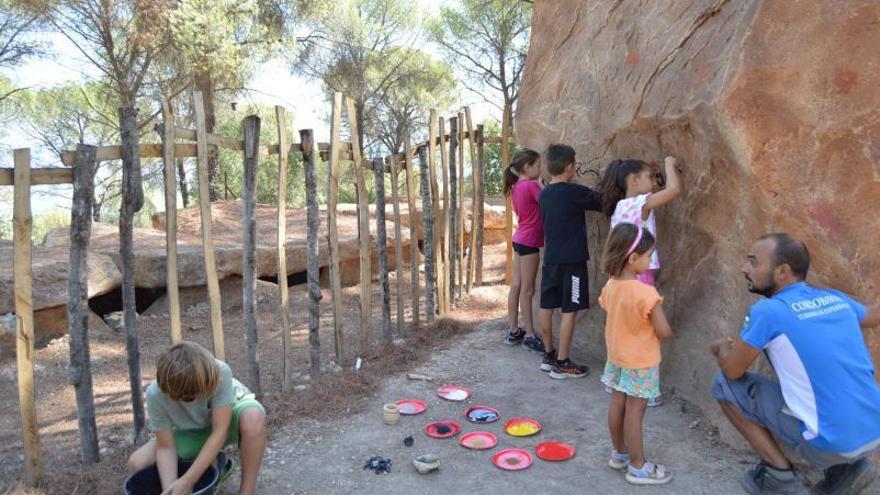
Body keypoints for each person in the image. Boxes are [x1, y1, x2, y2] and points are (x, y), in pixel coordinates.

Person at [711, 233, 880, 495]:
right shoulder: (836, 300)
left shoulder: (769, 312)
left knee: (723, 384)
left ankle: (779, 478)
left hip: (830, 445)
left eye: (753, 262)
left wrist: (721, 347)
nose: (744, 268)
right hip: (874, 434)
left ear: (782, 272)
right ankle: (849, 469)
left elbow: (733, 369)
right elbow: (873, 315)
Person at [127, 341, 267, 495]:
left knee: (253, 417)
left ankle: (246, 491)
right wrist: (171, 488)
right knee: (136, 463)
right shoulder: (155, 393)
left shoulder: (219, 371)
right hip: (192, 430)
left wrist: (188, 480)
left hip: (227, 422)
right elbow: (166, 447)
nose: (194, 399)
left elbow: (221, 430)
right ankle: (219, 465)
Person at [597, 156, 681, 407]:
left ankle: (619, 379)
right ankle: (646, 390)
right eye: (648, 178)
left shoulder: (620, 206)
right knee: (646, 329)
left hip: (621, 274)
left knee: (624, 328)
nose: (653, 183)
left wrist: (654, 175)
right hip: (641, 275)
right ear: (634, 180)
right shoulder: (640, 203)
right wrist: (669, 164)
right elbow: (674, 190)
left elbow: (655, 189)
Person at [599, 223, 674, 485]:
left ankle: (618, 453)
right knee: (636, 411)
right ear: (632, 258)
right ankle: (639, 466)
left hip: (617, 357)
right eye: (648, 255)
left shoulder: (610, 286)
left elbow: (610, 309)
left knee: (617, 403)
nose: (651, 260)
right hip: (641, 361)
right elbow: (663, 331)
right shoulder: (646, 293)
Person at [537, 144, 603, 379]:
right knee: (569, 310)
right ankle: (563, 361)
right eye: (575, 164)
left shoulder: (544, 193)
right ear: (569, 167)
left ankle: (549, 354)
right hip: (572, 263)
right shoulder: (575, 192)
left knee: (547, 306)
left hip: (551, 259)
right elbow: (602, 202)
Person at [502, 148, 546, 352]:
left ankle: (514, 330)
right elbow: (547, 203)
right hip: (529, 242)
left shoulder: (516, 186)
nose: (540, 168)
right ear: (528, 167)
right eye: (538, 165)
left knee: (517, 285)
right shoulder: (530, 186)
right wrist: (543, 186)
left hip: (519, 238)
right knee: (528, 290)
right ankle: (529, 334)